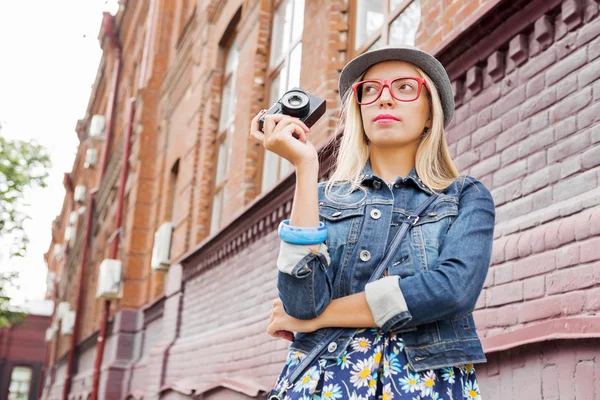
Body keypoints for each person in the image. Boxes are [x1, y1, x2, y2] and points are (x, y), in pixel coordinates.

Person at [249, 45, 495, 400]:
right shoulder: (321, 198)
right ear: (358, 111)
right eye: (370, 90)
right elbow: (301, 303)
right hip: (323, 382)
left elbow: (451, 290)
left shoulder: (464, 197)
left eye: (405, 88)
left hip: (424, 384)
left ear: (430, 113)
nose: (385, 99)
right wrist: (305, 168)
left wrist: (322, 318)